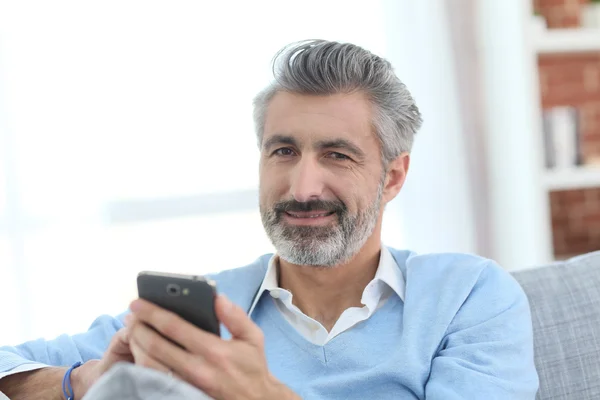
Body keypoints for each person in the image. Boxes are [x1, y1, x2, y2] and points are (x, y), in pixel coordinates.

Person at [0, 39, 539, 400]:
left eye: (337, 154)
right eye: (283, 152)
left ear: (393, 177)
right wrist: (86, 379)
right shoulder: (208, 308)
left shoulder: (468, 296)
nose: (302, 188)